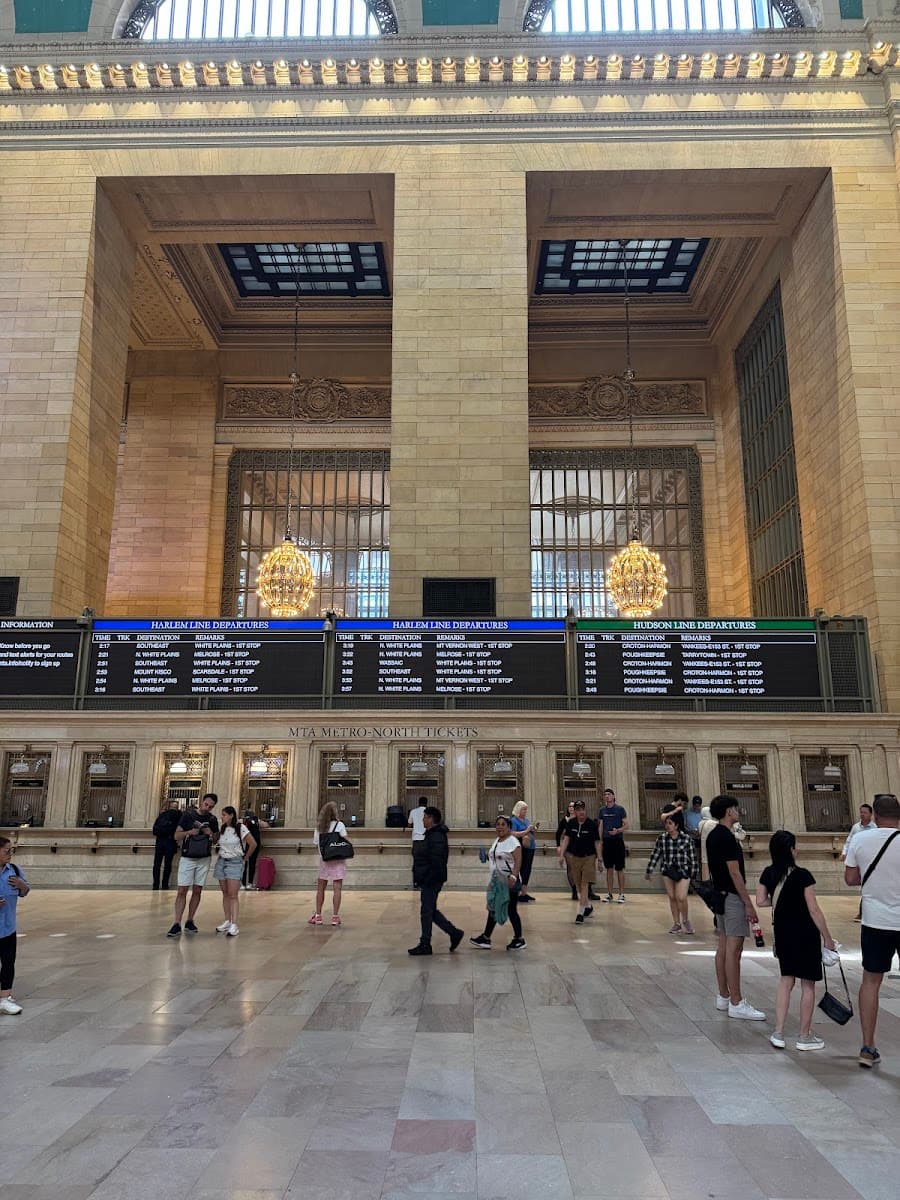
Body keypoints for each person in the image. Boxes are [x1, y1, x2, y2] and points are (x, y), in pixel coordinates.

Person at [757, 830, 837, 1051]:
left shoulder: (768, 873)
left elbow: (761, 901)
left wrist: (780, 901)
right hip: (805, 934)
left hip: (783, 933)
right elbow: (814, 910)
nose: (798, 849)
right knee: (808, 985)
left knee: (786, 981)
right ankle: (804, 1036)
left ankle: (779, 1032)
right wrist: (827, 938)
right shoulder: (803, 876)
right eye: (796, 846)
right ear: (790, 850)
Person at [844, 792, 900, 1069]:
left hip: (875, 920)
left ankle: (868, 1046)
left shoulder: (860, 838)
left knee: (871, 981)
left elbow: (851, 878)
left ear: (875, 816)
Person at [705, 794, 765, 1021]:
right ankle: (737, 1001)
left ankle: (723, 995)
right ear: (729, 811)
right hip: (731, 897)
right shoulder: (728, 839)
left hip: (719, 894)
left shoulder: (712, 836)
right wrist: (747, 903)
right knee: (734, 948)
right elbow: (734, 872)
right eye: (735, 808)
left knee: (722, 946)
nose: (738, 811)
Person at [408, 806, 464, 955]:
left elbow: (437, 861)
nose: (422, 819)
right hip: (430, 878)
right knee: (430, 910)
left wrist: (428, 878)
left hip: (432, 879)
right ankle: (454, 933)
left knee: (427, 911)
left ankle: (426, 943)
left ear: (431, 818)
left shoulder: (437, 836)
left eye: (425, 817)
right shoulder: (433, 834)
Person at [470, 814, 526, 951]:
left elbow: (518, 861)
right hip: (497, 881)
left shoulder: (513, 842)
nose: (499, 827)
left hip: (509, 881)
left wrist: (513, 877)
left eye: (503, 824)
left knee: (511, 910)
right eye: (498, 824)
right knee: (494, 908)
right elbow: (498, 858)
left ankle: (519, 939)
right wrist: (486, 858)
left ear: (509, 827)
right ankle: (486, 937)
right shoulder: (498, 841)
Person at [167, 792, 219, 938]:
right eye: (206, 804)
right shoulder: (188, 816)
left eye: (210, 806)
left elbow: (216, 840)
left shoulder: (212, 819)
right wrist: (190, 832)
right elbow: (176, 835)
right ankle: (177, 922)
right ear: (202, 801)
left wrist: (210, 833)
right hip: (188, 857)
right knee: (182, 889)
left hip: (203, 857)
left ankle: (190, 920)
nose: (207, 808)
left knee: (197, 889)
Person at [645, 810, 698, 934]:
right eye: (666, 823)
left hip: (683, 870)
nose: (667, 826)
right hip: (668, 870)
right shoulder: (662, 839)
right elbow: (656, 854)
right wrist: (649, 870)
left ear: (676, 825)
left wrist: (694, 873)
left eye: (670, 823)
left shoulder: (686, 839)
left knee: (681, 896)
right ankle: (676, 923)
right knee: (672, 897)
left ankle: (685, 920)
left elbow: (692, 857)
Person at [557, 799, 602, 924]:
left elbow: (597, 842)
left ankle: (580, 913)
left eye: (583, 809)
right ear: (575, 811)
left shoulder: (591, 824)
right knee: (579, 886)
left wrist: (599, 859)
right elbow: (566, 839)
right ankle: (588, 906)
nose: (581, 812)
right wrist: (561, 855)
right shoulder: (571, 823)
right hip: (575, 857)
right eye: (578, 810)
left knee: (584, 884)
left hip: (589, 857)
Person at [214, 805, 256, 937]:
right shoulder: (222, 829)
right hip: (222, 861)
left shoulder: (240, 828)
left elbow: (253, 843)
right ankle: (227, 920)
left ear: (231, 815)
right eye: (222, 814)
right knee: (225, 893)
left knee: (233, 894)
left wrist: (245, 858)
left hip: (234, 862)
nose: (222, 817)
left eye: (224, 814)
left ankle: (234, 923)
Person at [0, 837, 30, 1015]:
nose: (10, 854)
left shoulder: (15, 871)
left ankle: (5, 998)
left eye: (12, 851)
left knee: (8, 962)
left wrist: (21, 885)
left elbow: (25, 891)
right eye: (6, 851)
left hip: (8, 927)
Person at [310, 800, 348, 926]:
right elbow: (345, 840)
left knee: (321, 888)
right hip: (337, 859)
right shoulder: (340, 825)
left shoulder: (319, 827)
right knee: (337, 888)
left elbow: (316, 843)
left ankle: (318, 915)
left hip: (324, 860)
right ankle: (335, 916)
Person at [841, 803, 875, 923]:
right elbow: (849, 840)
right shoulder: (856, 827)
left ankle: (863, 912)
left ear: (871, 814)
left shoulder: (875, 828)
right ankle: (863, 912)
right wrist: (844, 852)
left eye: (865, 812)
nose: (862, 814)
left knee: (867, 886)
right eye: (861, 812)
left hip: (871, 861)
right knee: (865, 886)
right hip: (859, 861)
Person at [598, 787, 628, 904]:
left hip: (617, 841)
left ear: (613, 797)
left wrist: (618, 830)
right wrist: (600, 839)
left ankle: (621, 894)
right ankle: (610, 893)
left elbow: (627, 825)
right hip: (607, 841)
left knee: (619, 868)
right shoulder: (602, 811)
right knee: (609, 869)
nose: (607, 796)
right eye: (605, 794)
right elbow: (601, 825)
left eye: (609, 794)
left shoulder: (620, 809)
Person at [510, 800, 538, 903]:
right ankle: (517, 891)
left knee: (527, 869)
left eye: (526, 809)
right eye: (523, 809)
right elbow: (513, 833)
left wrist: (533, 828)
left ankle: (524, 892)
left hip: (530, 847)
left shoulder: (526, 820)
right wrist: (526, 831)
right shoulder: (514, 821)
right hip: (521, 847)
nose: (525, 811)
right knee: (521, 868)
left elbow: (529, 830)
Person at [151, 801, 181, 891]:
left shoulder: (162, 815)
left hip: (160, 842)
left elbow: (154, 830)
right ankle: (165, 884)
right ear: (176, 807)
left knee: (157, 864)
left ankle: (155, 885)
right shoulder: (178, 815)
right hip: (170, 842)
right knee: (168, 865)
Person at [556, 801, 579, 900]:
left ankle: (587, 889)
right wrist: (558, 846)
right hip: (568, 847)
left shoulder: (580, 819)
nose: (571, 808)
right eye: (569, 806)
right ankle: (574, 889)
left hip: (579, 846)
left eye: (573, 806)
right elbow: (558, 833)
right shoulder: (565, 820)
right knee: (570, 867)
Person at [240, 809, 267, 890]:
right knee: (252, 863)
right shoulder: (257, 821)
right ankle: (250, 883)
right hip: (256, 844)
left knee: (244, 863)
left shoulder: (242, 821)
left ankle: (242, 884)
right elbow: (266, 825)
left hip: (246, 844)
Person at [406, 797, 427, 889]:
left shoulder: (413, 811)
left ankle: (416, 883)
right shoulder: (429, 812)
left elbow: (409, 824)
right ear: (426, 803)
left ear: (418, 803)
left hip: (416, 840)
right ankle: (424, 882)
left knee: (416, 862)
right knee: (426, 862)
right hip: (426, 840)